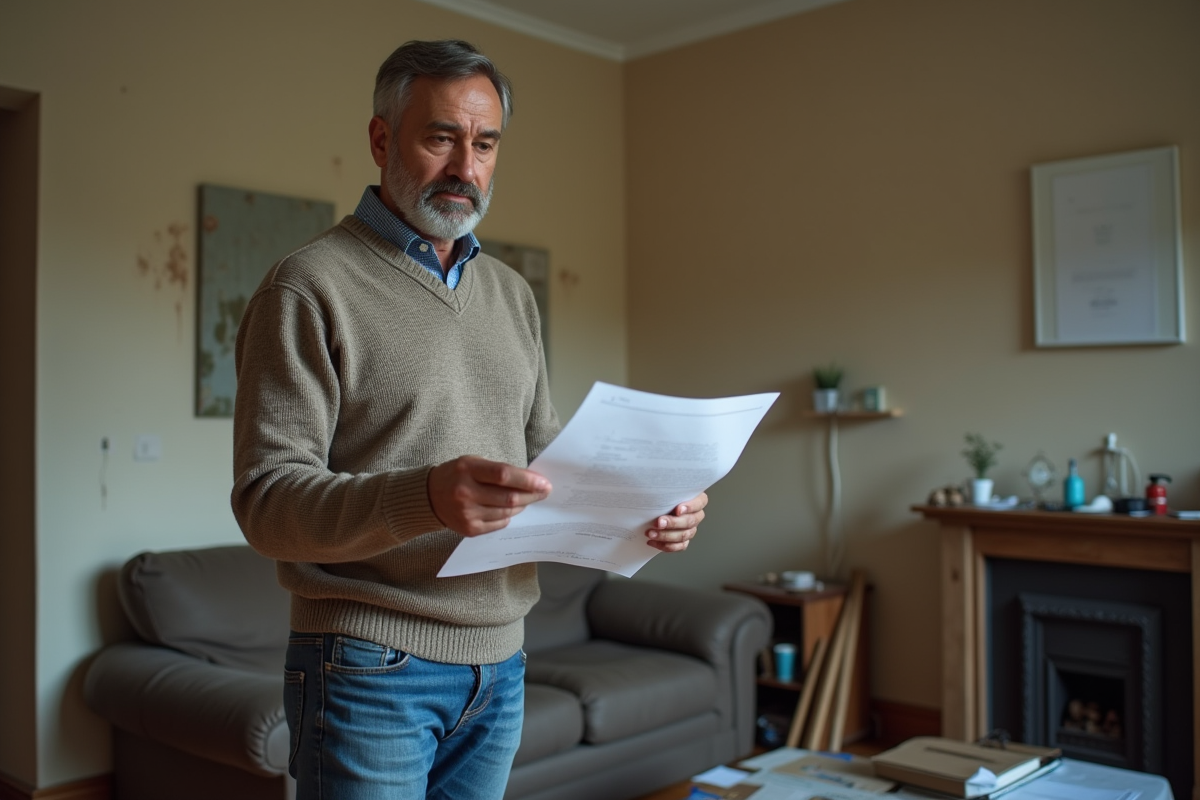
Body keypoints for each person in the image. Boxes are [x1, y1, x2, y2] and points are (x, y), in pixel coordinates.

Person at [231, 39, 707, 800]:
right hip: (368, 665)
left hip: (503, 662)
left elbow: (547, 461)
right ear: (383, 139)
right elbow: (266, 504)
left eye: (484, 143)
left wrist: (648, 504)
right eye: (440, 137)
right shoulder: (307, 286)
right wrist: (422, 497)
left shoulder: (512, 294)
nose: (465, 166)